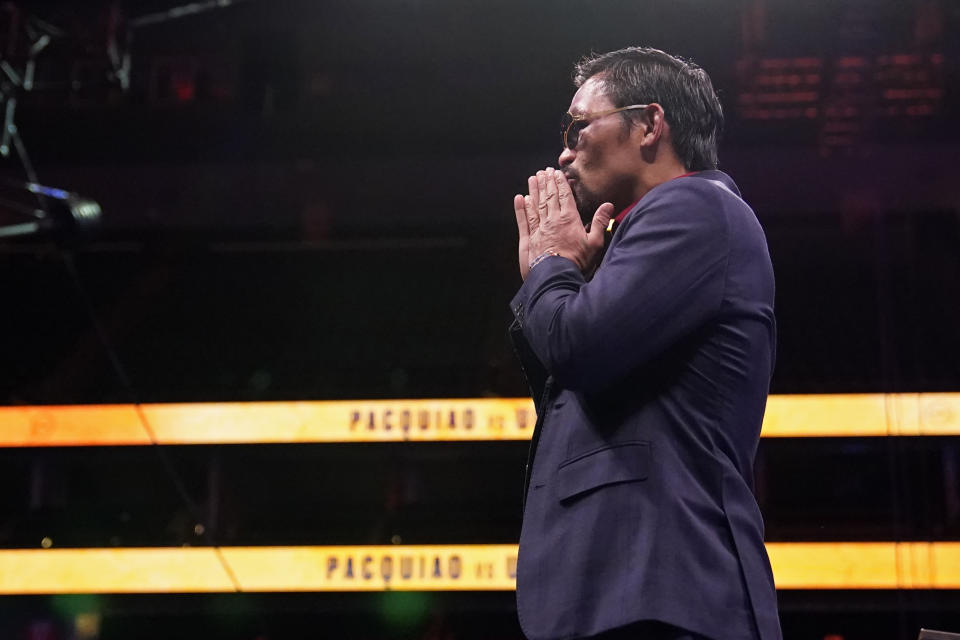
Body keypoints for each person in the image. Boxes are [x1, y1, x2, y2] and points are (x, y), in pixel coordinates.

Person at [509, 47, 782, 640]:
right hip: (623, 593)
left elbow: (576, 346)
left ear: (650, 124)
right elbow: (571, 391)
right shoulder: (642, 235)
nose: (564, 151)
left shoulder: (693, 207)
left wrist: (552, 267)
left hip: (662, 594)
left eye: (579, 126)